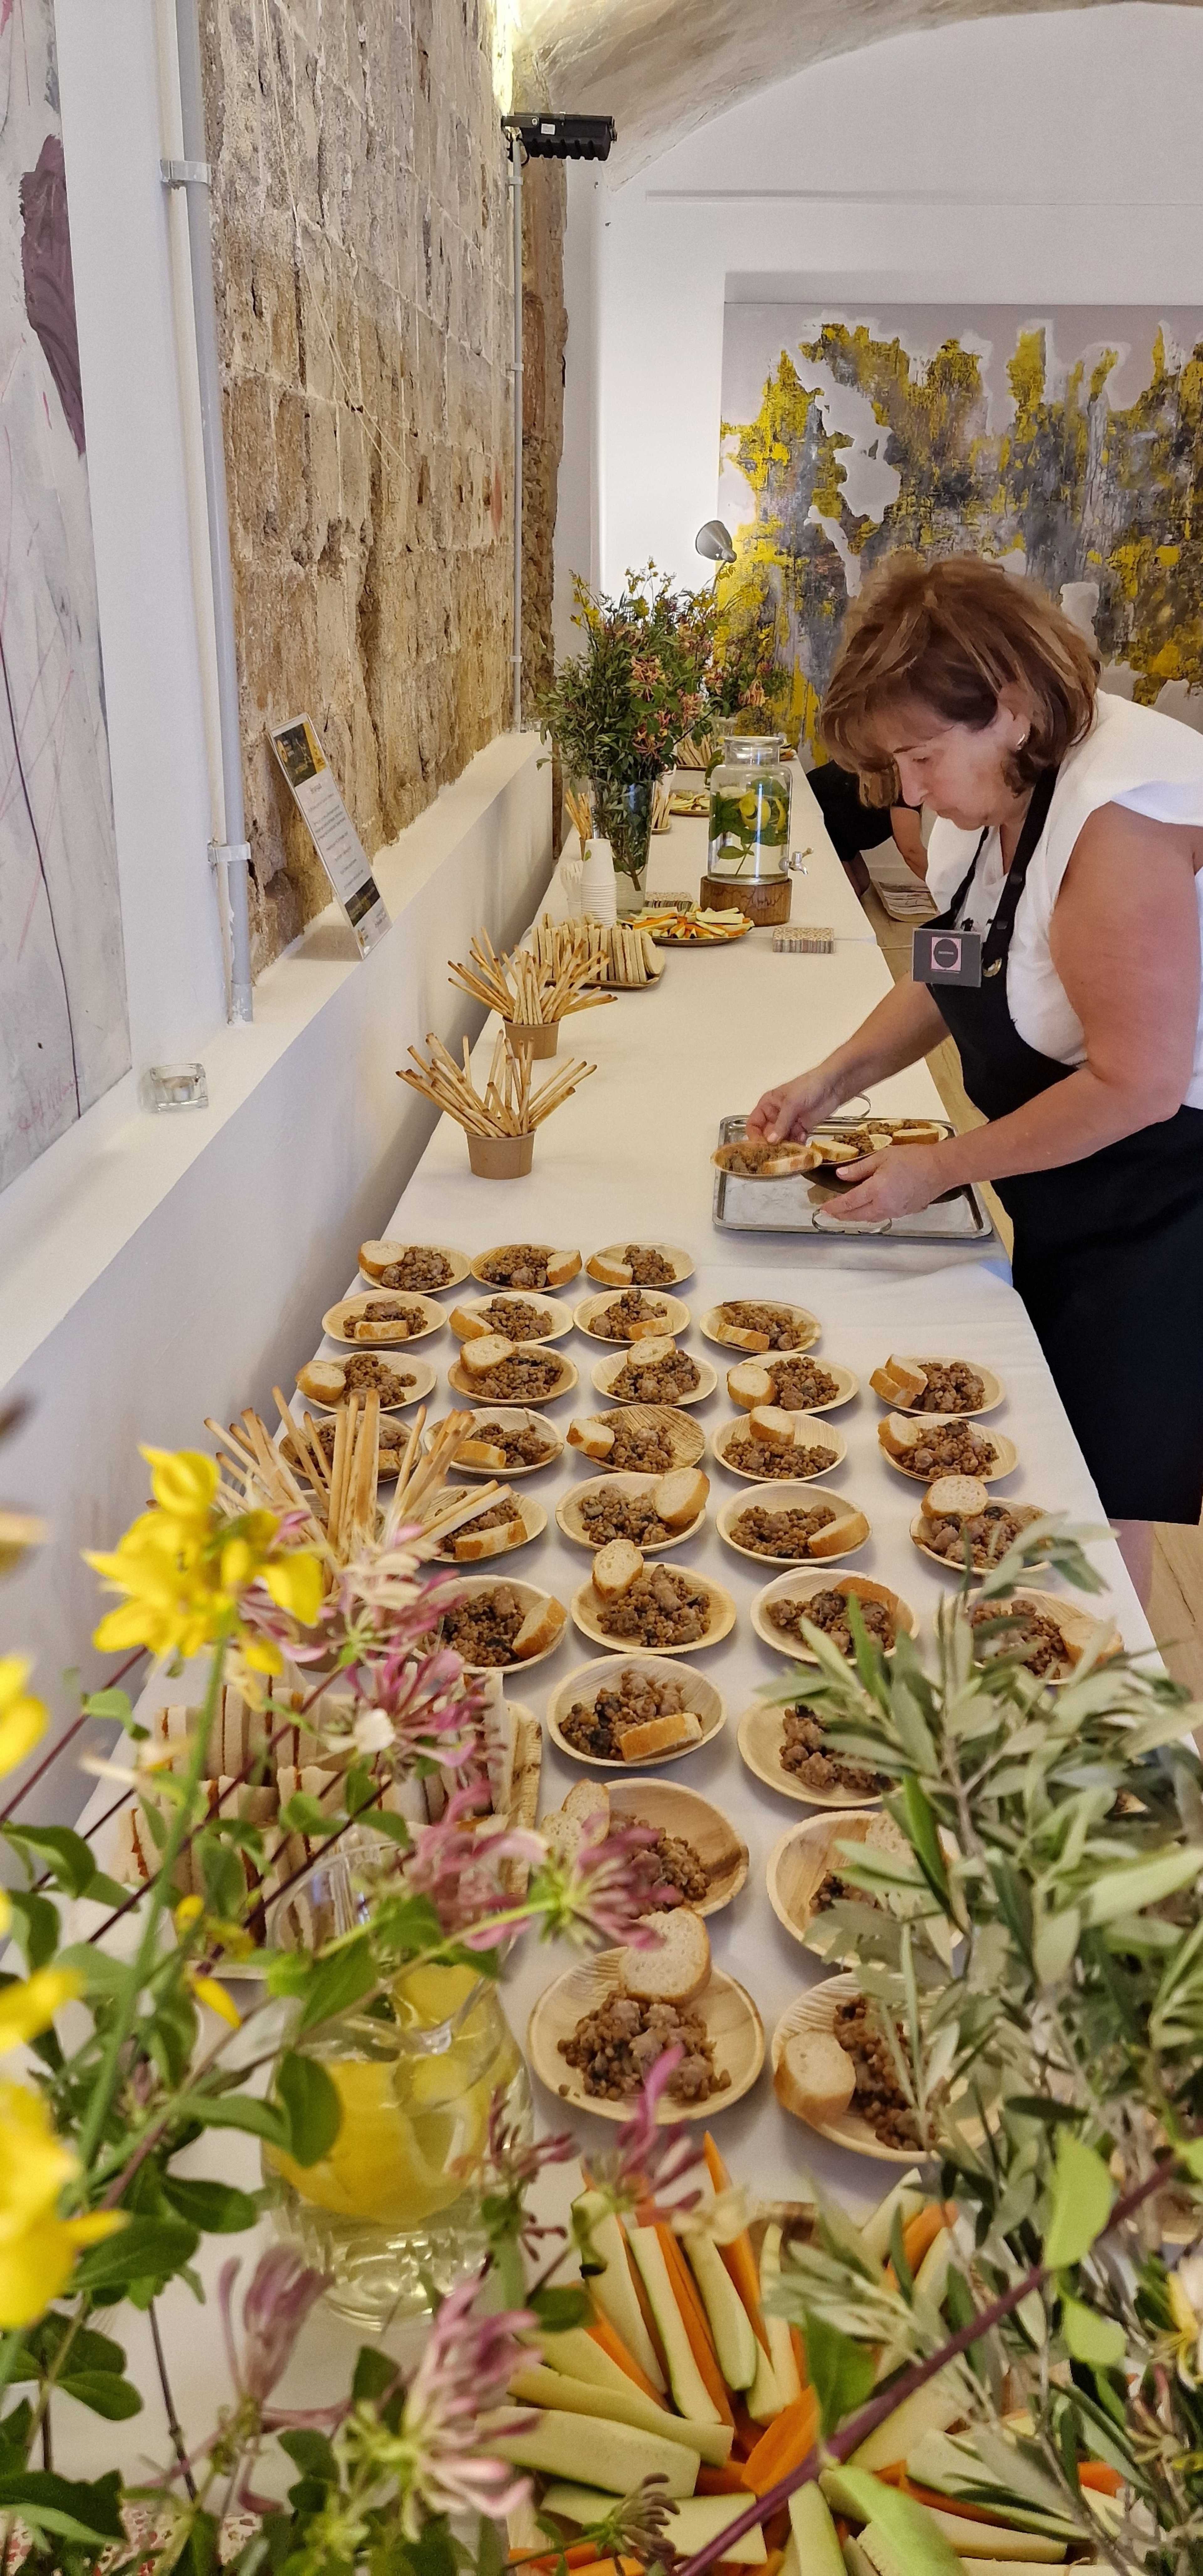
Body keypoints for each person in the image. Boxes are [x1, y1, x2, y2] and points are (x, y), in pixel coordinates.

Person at [748, 553, 1203, 1589]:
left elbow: (1139, 1083)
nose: (906, 793)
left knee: (1106, 1482)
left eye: (919, 756)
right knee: (1050, 1442)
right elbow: (953, 970)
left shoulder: (1118, 826)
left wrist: (940, 1165)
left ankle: (1114, 1716)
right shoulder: (978, 804)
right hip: (1078, 1176)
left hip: (1171, 1193)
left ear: (1009, 706)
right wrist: (833, 1079)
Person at [806, 758, 925, 891]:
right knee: (849, 896)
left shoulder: (911, 778)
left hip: (840, 827)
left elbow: (907, 844)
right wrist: (948, 891)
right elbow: (912, 852)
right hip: (813, 813)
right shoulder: (908, 782)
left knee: (863, 884)